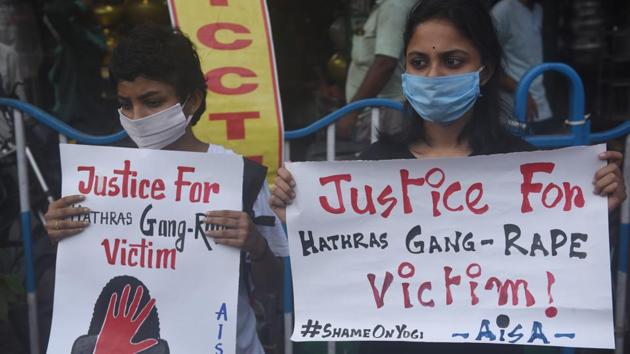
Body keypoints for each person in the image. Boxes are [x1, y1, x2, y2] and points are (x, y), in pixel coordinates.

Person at [269, 0, 626, 353]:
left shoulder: (526, 172)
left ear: (485, 70)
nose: (433, 75)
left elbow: (566, 271)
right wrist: (300, 218)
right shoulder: (372, 170)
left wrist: (597, 214)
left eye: (452, 61)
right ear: (405, 71)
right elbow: (333, 275)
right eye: (419, 62)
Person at [44, 25, 288, 354]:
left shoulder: (237, 178)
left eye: (152, 102)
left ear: (192, 101)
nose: (137, 116)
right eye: (125, 104)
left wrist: (256, 245)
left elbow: (274, 285)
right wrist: (60, 233)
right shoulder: (102, 183)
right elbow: (84, 276)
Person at [336, 0, 417, 144]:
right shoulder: (382, 6)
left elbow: (385, 63)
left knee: (382, 164)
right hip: (376, 113)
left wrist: (351, 112)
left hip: (386, 115)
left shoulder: (393, 6)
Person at [492, 0, 558, 134]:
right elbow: (487, 63)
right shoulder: (503, 11)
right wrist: (522, 91)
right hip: (513, 104)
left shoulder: (537, 9)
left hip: (539, 100)